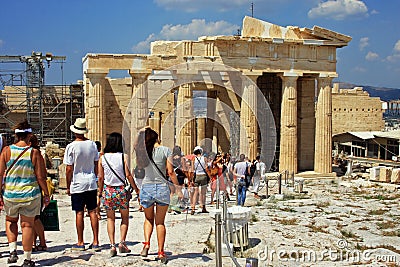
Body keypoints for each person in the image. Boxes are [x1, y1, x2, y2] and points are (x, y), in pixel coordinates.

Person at [0, 120, 50, 267]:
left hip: (10, 193)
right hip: (30, 193)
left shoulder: (6, 151)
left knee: (10, 221)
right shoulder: (34, 152)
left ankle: (12, 251)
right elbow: (41, 177)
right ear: (29, 136)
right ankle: (27, 258)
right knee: (27, 225)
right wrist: (46, 194)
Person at [135, 127, 181, 264]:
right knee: (160, 222)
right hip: (161, 188)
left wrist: (140, 133)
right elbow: (170, 172)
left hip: (146, 187)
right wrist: (178, 189)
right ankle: (161, 252)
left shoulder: (142, 152)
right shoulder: (165, 150)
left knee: (148, 219)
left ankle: (147, 244)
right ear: (157, 138)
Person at [97, 132, 140, 257]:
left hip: (108, 190)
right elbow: (128, 175)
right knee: (124, 218)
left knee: (110, 218)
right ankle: (122, 242)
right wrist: (136, 189)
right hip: (121, 190)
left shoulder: (102, 158)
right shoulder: (124, 157)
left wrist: (100, 192)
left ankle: (112, 245)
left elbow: (100, 177)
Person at [63, 118, 100, 251]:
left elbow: (69, 168)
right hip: (90, 181)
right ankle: (96, 241)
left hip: (77, 182)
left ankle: (80, 242)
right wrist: (96, 177)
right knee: (92, 211)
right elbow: (96, 163)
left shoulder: (71, 146)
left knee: (79, 212)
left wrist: (68, 185)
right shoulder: (92, 144)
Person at [29, 134, 48, 252]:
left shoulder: (36, 153)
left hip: (35, 189)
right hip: (28, 189)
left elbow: (42, 175)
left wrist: (46, 192)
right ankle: (32, 243)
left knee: (35, 218)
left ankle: (42, 241)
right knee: (29, 219)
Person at [190, 146, 209, 214]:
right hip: (203, 176)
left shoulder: (193, 159)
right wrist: (210, 176)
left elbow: (192, 170)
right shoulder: (204, 158)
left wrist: (191, 179)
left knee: (195, 192)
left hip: (196, 176)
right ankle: (203, 207)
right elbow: (206, 168)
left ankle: (193, 208)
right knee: (203, 193)